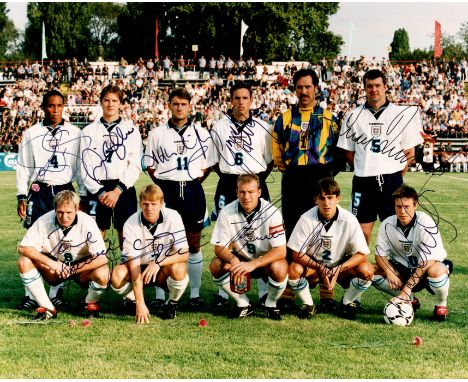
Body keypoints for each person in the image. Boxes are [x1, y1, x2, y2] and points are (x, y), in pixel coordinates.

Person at [271, 68, 342, 311]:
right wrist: (291, 171)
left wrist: (324, 172)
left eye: (308, 87)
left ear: (316, 89)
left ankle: (326, 290)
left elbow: (338, 152)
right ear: (294, 89)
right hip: (293, 177)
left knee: (323, 230)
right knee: (292, 228)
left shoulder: (329, 118)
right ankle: (290, 288)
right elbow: (277, 152)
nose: (303, 91)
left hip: (319, 176)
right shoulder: (284, 118)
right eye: (299, 87)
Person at [337, 69, 424, 244]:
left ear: (385, 87)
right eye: (369, 86)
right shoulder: (353, 115)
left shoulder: (401, 114)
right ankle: (359, 269)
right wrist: (364, 167)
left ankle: (394, 268)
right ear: (364, 89)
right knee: (361, 231)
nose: (373, 89)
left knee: (395, 229)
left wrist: (396, 174)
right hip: (363, 181)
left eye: (377, 85)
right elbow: (347, 150)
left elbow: (409, 152)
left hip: (392, 180)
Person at [15, 89, 85, 311]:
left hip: (64, 189)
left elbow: (80, 166)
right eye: (51, 106)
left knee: (62, 241)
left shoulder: (75, 132)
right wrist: (20, 195)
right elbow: (24, 166)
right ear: (43, 107)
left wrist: (80, 194)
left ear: (64, 107)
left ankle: (56, 292)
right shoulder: (31, 133)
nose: (55, 110)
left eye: (59, 106)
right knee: (34, 241)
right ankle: (31, 293)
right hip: (40, 190)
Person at [144, 87, 212, 308]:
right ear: (169, 106)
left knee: (193, 244)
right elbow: (150, 165)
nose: (179, 107)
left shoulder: (202, 133)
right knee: (161, 243)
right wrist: (165, 184)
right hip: (167, 192)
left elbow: (207, 165)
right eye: (175, 104)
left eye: (183, 104)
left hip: (192, 192)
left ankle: (194, 294)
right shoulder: (156, 134)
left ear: (189, 106)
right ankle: (159, 295)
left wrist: (192, 182)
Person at [208, 83, 274, 306]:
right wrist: (231, 178)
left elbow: (269, 161)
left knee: (260, 235)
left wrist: (254, 182)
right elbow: (214, 160)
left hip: (255, 182)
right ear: (231, 100)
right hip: (228, 182)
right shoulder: (218, 127)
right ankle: (224, 292)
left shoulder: (264, 127)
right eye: (236, 98)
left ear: (251, 100)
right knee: (227, 234)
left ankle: (264, 290)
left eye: (245, 98)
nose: (241, 102)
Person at [287, 178, 373, 320]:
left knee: (367, 270)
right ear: (316, 200)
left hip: (339, 266)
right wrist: (320, 268)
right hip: (314, 267)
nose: (326, 203)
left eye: (330, 197)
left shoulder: (349, 219)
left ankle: (346, 302)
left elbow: (362, 254)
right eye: (322, 198)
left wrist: (339, 268)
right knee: (293, 269)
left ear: (338, 198)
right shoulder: (306, 218)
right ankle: (309, 305)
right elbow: (296, 253)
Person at [17, 190, 109, 320]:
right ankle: (48, 308)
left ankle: (89, 303)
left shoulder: (88, 222)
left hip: (81, 268)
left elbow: (102, 258)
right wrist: (53, 264)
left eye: (69, 212)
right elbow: (23, 247)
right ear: (54, 209)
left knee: (103, 273)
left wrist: (72, 269)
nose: (64, 217)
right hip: (55, 267)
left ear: (77, 209)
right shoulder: (44, 220)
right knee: (24, 261)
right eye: (60, 212)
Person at [209, 174, 288, 320]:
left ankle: (270, 304)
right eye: (242, 192)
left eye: (251, 192)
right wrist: (234, 261)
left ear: (259, 192)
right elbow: (219, 247)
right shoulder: (227, 212)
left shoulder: (271, 212)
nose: (246, 197)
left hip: (264, 261)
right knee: (216, 265)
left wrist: (253, 264)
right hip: (240, 258)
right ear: (237, 192)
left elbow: (281, 251)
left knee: (280, 268)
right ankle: (243, 303)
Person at [372, 184, 452, 322]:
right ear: (394, 206)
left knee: (437, 271)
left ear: (415, 205)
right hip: (402, 268)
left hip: (426, 269)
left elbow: (428, 261)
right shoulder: (387, 224)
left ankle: (441, 305)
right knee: (370, 271)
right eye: (398, 207)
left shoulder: (425, 221)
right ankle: (410, 300)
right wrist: (389, 271)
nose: (402, 211)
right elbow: (380, 254)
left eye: (407, 207)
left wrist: (407, 288)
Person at [110, 185, 189, 322]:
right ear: (140, 204)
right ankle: (133, 301)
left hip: (162, 267)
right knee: (117, 275)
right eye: (145, 204)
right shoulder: (130, 223)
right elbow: (134, 266)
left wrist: (158, 262)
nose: (149, 208)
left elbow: (184, 253)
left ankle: (172, 303)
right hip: (139, 266)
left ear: (162, 203)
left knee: (179, 268)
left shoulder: (173, 216)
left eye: (154, 204)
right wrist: (140, 303)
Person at [80, 85, 142, 248]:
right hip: (97, 189)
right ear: (101, 102)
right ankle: (98, 272)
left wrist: (117, 191)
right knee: (95, 237)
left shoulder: (131, 130)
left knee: (127, 236)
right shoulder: (88, 131)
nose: (110, 104)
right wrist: (100, 192)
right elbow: (85, 166)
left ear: (121, 104)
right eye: (106, 100)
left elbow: (135, 165)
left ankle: (126, 272)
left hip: (123, 188)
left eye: (114, 100)